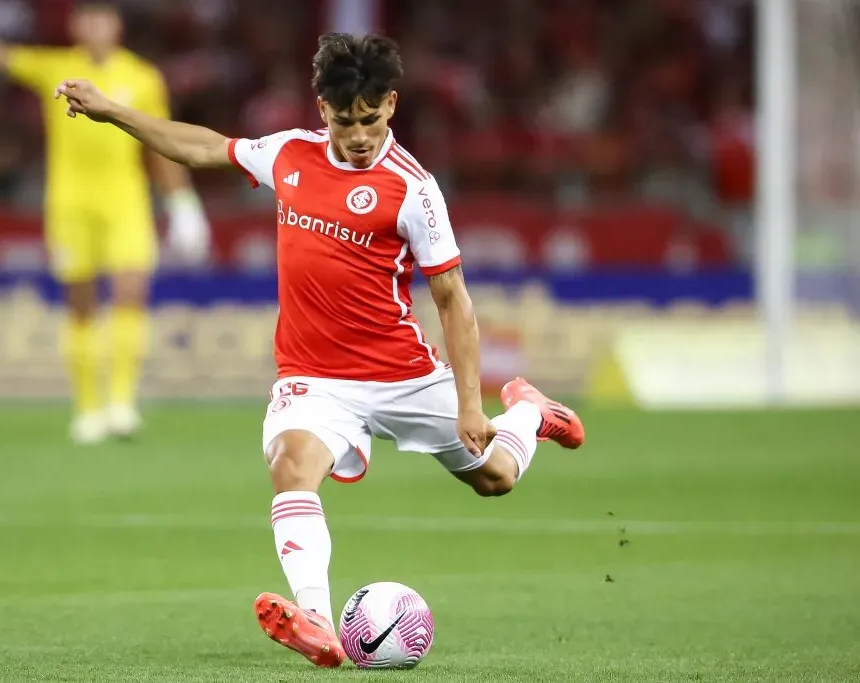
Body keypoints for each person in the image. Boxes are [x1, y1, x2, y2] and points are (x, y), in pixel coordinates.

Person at [54, 33, 586, 667]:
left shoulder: (413, 189)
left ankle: (528, 411)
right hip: (314, 376)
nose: (358, 135)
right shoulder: (289, 154)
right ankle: (316, 620)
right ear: (320, 109)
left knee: (495, 477)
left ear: (391, 104)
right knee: (290, 463)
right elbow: (200, 147)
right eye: (343, 121)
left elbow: (454, 303)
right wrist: (114, 111)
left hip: (402, 372)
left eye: (370, 118)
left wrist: (475, 406)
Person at [0, 0, 211, 444]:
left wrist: (182, 204)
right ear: (77, 25)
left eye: (104, 19)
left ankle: (121, 403)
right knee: (80, 304)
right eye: (88, 19)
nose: (96, 26)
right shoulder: (55, 66)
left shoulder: (142, 76)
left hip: (126, 202)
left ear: (116, 25)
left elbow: (160, 141)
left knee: (131, 293)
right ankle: (88, 409)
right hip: (69, 204)